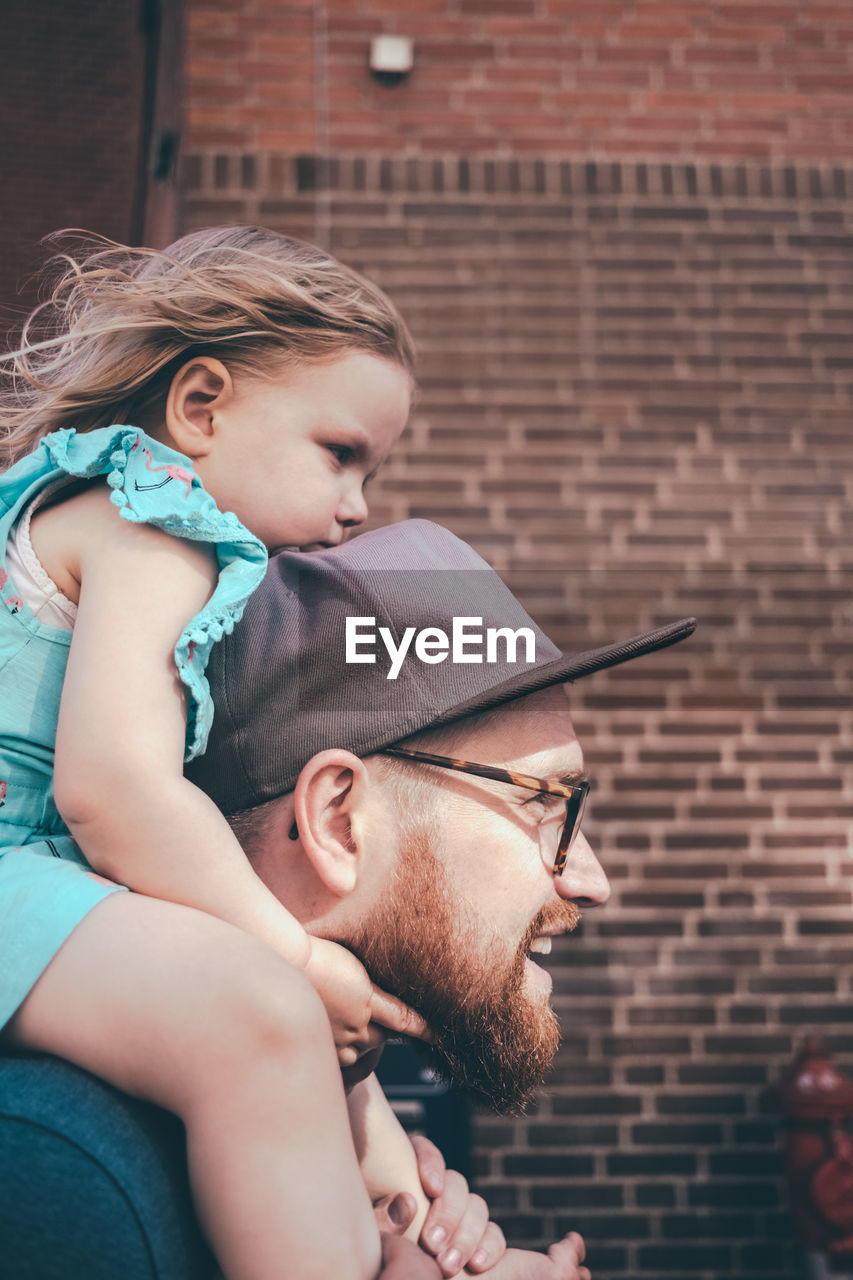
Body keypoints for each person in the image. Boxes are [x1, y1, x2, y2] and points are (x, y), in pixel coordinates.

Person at [0, 224, 439, 1280]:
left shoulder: (98, 504)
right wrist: (291, 966)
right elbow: (114, 793)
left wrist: (360, 1105)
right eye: (340, 453)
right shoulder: (158, 521)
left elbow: (179, 869)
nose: (357, 506)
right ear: (202, 407)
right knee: (256, 1012)